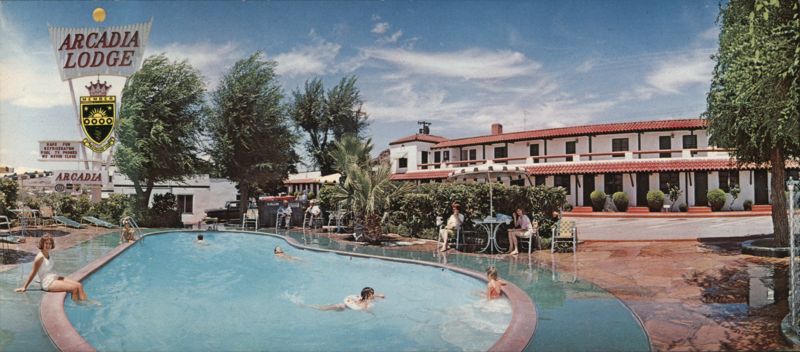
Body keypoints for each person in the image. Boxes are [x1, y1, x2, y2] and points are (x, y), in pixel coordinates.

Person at [15, 234, 88, 301]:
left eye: (50, 243)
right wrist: (24, 287)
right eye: (46, 243)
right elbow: (33, 273)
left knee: (79, 285)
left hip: (53, 277)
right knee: (74, 288)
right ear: (42, 244)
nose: (48, 245)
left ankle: (85, 302)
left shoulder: (48, 253)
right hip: (47, 282)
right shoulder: (39, 257)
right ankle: (77, 306)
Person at [313, 287, 385, 311]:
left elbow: (374, 295)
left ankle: (318, 306)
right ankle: (314, 306)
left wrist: (379, 296)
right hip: (343, 307)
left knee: (331, 307)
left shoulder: (364, 297)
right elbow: (363, 309)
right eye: (372, 294)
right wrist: (372, 313)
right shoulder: (365, 302)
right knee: (324, 309)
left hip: (345, 305)